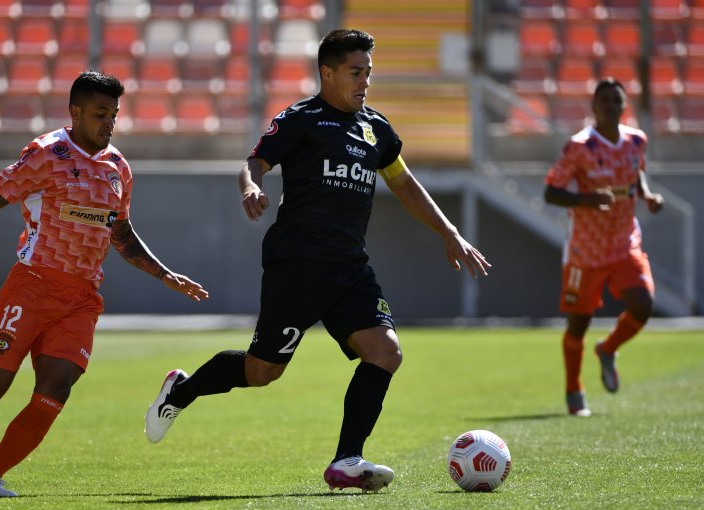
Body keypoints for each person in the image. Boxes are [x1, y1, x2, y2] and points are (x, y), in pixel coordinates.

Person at [144, 29, 491, 492]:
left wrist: (449, 232)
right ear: (327, 73)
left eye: (368, 72)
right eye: (355, 72)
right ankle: (181, 391)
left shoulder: (378, 129)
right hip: (298, 263)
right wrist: (251, 186)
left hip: (349, 267)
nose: (364, 81)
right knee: (263, 370)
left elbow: (405, 184)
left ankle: (347, 459)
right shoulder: (301, 119)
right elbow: (255, 161)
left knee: (386, 352)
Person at [0, 71, 209, 498]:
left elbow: (121, 233)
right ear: (75, 112)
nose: (109, 123)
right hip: (33, 285)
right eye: (101, 113)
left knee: (57, 385)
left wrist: (165, 274)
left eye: (114, 114)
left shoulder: (118, 168)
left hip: (81, 298)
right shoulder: (46, 154)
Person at [544, 78, 664, 417]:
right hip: (586, 250)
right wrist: (586, 198)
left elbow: (636, 172)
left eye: (617, 101)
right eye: (605, 100)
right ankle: (573, 391)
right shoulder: (579, 146)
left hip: (625, 241)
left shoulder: (636, 141)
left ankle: (608, 348)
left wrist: (647, 195)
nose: (611, 106)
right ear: (594, 107)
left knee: (643, 304)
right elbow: (551, 191)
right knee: (578, 324)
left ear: (624, 106)